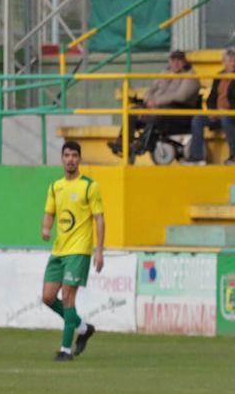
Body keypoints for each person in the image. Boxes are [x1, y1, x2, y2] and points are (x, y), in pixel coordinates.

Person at [39, 140, 104, 362]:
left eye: (74, 155)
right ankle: (83, 328)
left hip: (79, 250)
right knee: (47, 297)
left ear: (79, 159)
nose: (70, 159)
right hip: (59, 250)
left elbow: (99, 218)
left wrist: (99, 250)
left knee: (67, 295)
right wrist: (46, 227)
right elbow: (50, 211)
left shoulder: (89, 186)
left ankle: (65, 350)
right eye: (66, 155)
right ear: (62, 158)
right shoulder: (56, 186)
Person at [111, 50, 199, 160]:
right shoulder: (164, 74)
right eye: (173, 60)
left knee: (158, 114)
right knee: (132, 112)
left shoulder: (191, 76)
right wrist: (149, 101)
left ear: (184, 62)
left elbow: (180, 96)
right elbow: (150, 90)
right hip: (159, 107)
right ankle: (122, 143)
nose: (175, 63)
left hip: (179, 112)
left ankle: (142, 144)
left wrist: (156, 102)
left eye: (179, 61)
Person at [186, 49, 235, 165]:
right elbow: (211, 98)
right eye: (230, 61)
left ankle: (234, 155)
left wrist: (226, 111)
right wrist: (212, 111)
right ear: (224, 63)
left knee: (225, 118)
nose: (233, 63)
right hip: (218, 113)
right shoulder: (219, 77)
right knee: (197, 119)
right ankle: (197, 156)